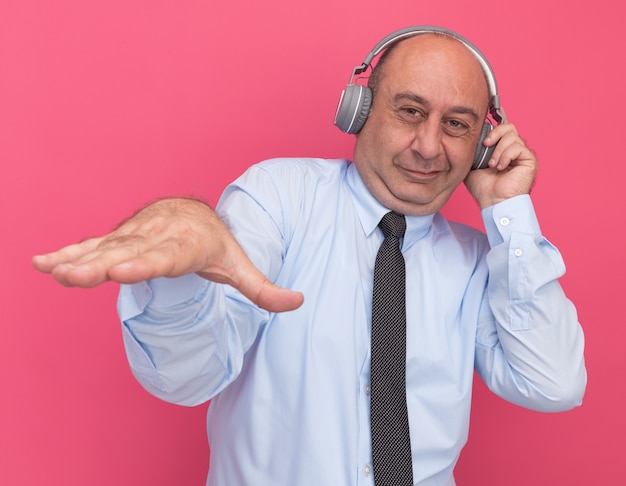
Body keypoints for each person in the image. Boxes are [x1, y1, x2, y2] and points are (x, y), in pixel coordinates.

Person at [32, 26, 586, 486]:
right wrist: (183, 280)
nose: (428, 146)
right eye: (410, 110)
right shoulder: (279, 198)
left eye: (457, 125)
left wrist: (509, 216)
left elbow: (553, 384)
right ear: (358, 110)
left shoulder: (476, 261)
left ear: (481, 146)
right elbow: (186, 378)